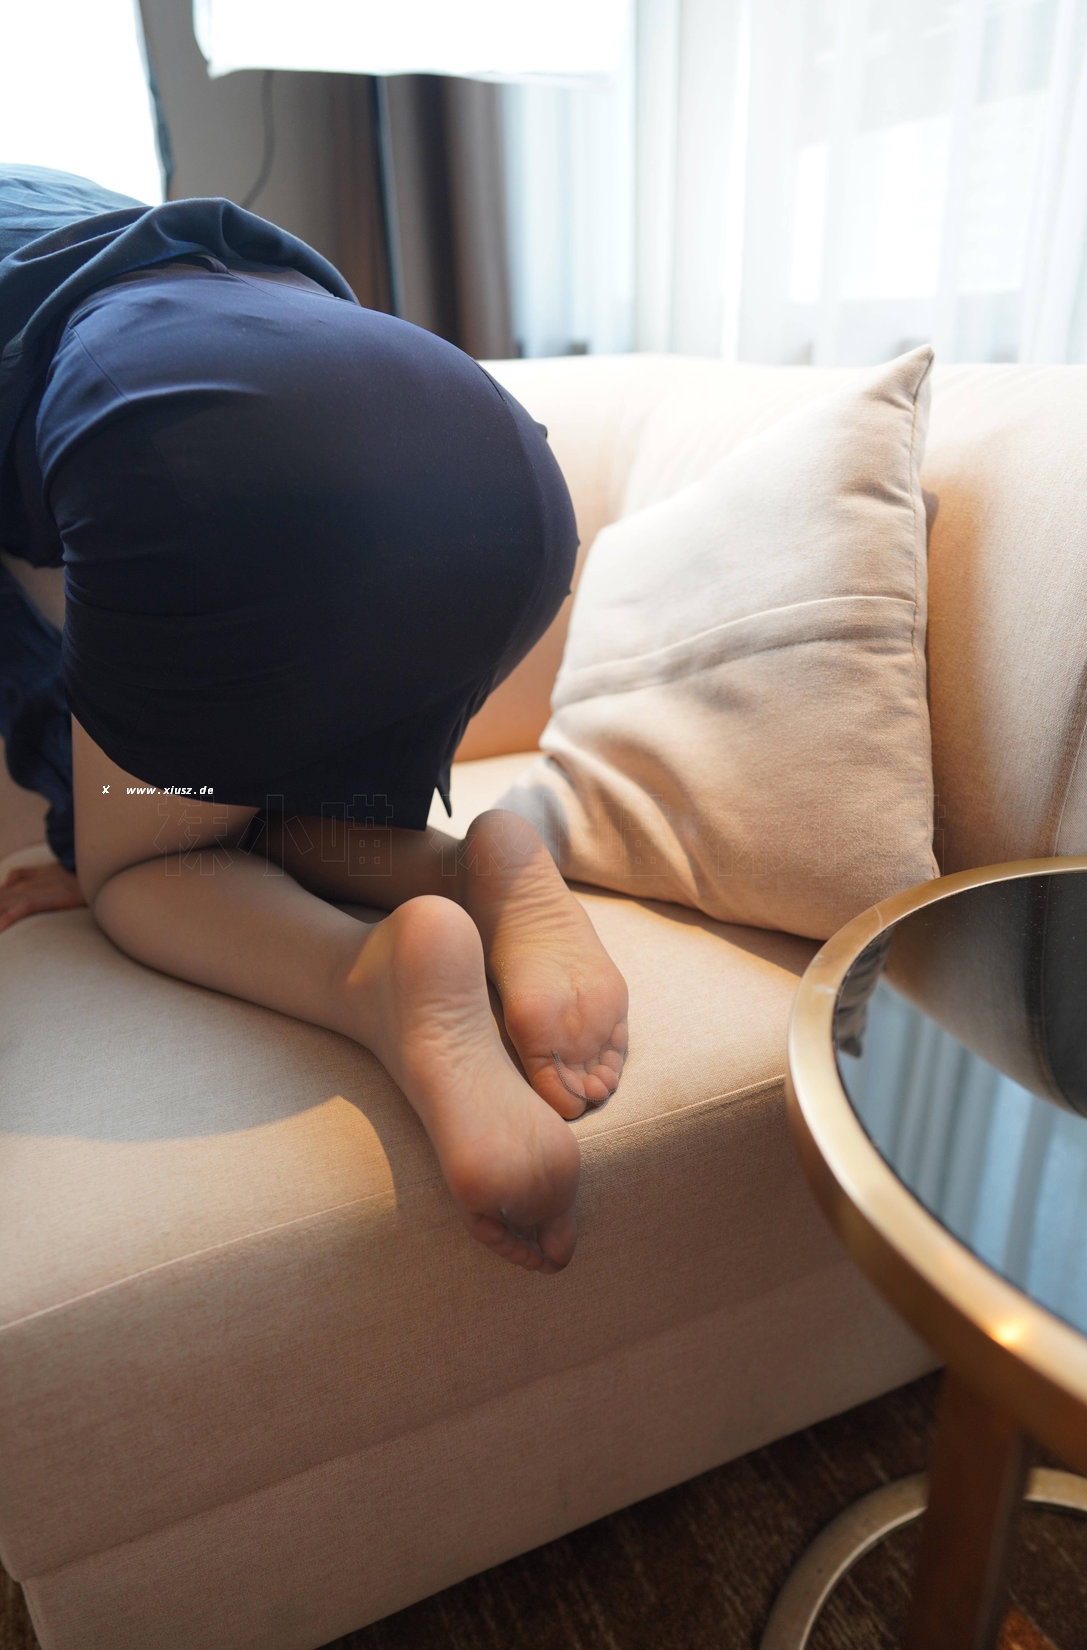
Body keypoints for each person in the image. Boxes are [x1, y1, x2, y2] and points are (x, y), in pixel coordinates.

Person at [0, 165, 628, 1274]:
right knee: (245, 815)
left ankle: (376, 981)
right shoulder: (78, 216)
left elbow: (43, 634)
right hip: (491, 459)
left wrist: (88, 837)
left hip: (200, 451)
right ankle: (465, 869)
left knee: (147, 873)